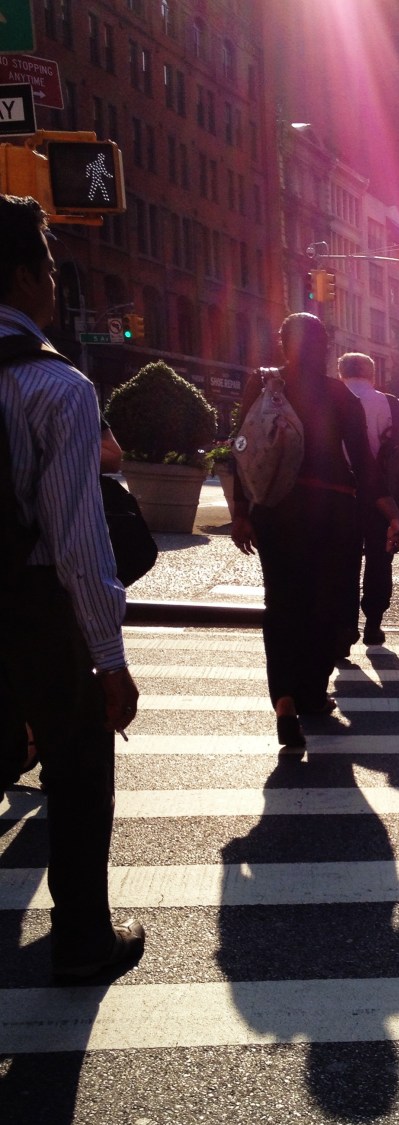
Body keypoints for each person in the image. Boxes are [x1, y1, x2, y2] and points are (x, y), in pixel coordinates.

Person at [0, 194, 143, 979]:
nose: (56, 282)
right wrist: (108, 658)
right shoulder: (58, 388)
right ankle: (84, 939)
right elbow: (79, 546)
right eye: (50, 266)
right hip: (32, 609)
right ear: (24, 274)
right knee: (79, 767)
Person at [230, 313, 399, 751]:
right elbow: (364, 463)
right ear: (325, 348)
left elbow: (242, 450)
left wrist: (242, 513)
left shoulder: (264, 385)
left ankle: (285, 699)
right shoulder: (339, 394)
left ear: (283, 345)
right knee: (328, 604)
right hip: (331, 511)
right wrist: (390, 511)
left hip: (277, 510)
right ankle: (310, 691)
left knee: (281, 604)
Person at [337, 352, 399, 646]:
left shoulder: (330, 400)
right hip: (384, 498)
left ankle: (344, 628)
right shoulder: (394, 406)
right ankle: (373, 623)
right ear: (373, 375)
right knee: (380, 559)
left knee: (343, 562)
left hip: (341, 495)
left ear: (341, 373)